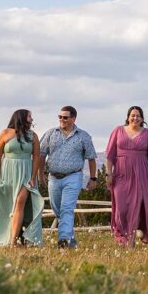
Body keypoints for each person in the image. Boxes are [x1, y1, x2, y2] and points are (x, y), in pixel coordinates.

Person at [105, 106, 148, 248]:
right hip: (120, 174)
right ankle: (123, 237)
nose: (135, 118)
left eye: (138, 116)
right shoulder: (118, 131)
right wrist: (109, 173)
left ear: (142, 119)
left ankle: (130, 242)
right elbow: (110, 155)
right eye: (132, 115)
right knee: (121, 209)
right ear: (128, 117)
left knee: (137, 207)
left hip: (141, 174)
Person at [38, 105, 98, 249]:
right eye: (60, 117)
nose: (62, 120)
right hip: (53, 177)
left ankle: (63, 240)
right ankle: (71, 241)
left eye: (65, 117)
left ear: (73, 118)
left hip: (73, 176)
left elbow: (91, 158)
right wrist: (40, 173)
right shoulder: (50, 134)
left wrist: (93, 178)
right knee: (57, 209)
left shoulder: (83, 136)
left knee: (67, 208)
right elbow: (41, 154)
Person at [0, 109, 44, 247]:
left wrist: (33, 177)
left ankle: (13, 241)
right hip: (8, 172)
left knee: (20, 202)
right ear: (22, 117)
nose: (32, 118)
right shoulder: (5, 133)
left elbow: (36, 157)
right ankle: (7, 236)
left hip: (26, 173)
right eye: (30, 116)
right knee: (9, 206)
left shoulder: (33, 136)